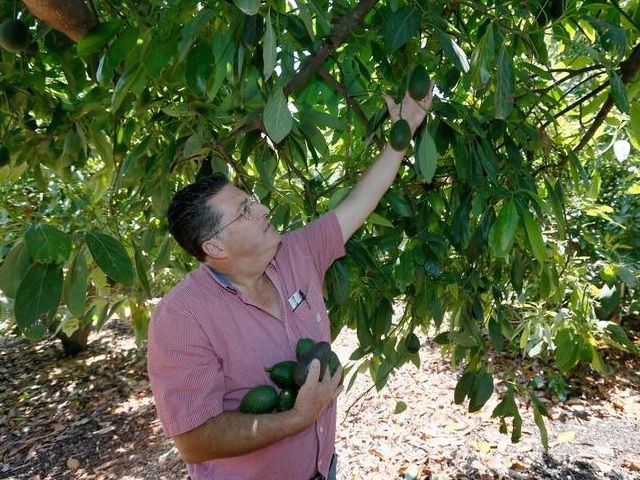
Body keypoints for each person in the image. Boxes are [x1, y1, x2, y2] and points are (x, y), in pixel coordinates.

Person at [146, 85, 434, 480]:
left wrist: (404, 132)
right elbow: (194, 439)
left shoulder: (295, 255)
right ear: (215, 246)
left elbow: (359, 203)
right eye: (246, 211)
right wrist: (299, 417)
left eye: (252, 199)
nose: (263, 208)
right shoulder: (182, 317)